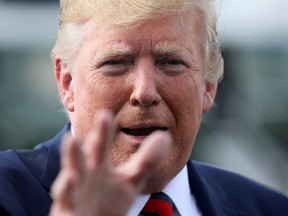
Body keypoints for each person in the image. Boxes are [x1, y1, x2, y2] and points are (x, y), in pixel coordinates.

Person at [0, 0, 287, 215]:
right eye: (116, 63)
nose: (145, 92)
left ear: (209, 87)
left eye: (171, 63)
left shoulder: (268, 208)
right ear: (67, 83)